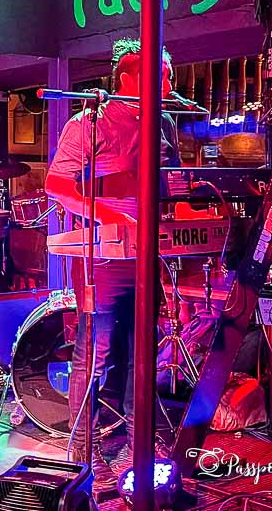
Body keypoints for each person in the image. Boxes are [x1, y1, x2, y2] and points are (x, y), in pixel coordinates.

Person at [44, 38, 179, 492]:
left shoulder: (162, 126)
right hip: (102, 255)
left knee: (143, 350)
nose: (166, 83)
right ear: (126, 77)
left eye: (167, 75)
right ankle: (81, 453)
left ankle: (137, 446)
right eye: (156, 74)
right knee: (96, 354)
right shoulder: (89, 123)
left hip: (148, 254)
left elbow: (171, 186)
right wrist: (108, 213)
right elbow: (56, 184)